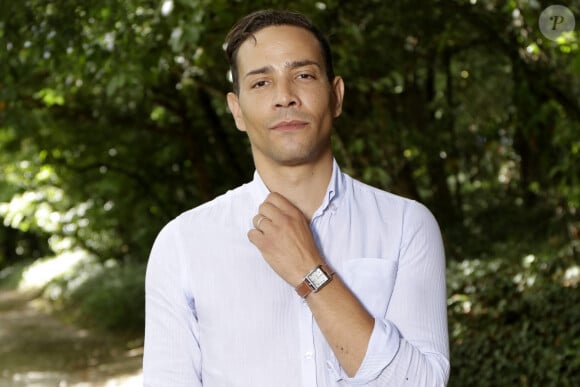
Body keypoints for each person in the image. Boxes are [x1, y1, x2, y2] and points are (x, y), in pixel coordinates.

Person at [143, 9, 449, 386]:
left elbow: (423, 383)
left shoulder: (406, 225)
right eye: (260, 83)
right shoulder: (182, 244)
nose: (285, 97)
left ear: (336, 95)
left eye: (303, 76)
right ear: (236, 111)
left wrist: (310, 271)